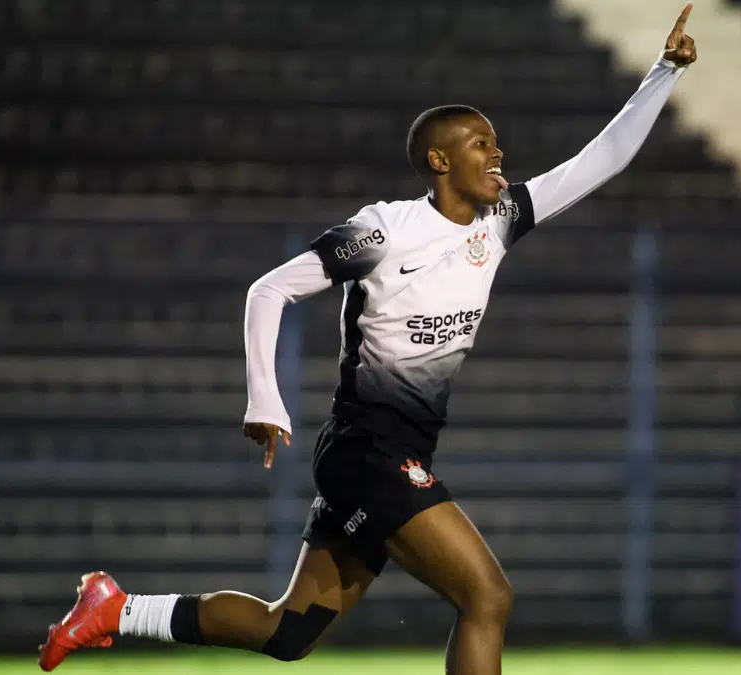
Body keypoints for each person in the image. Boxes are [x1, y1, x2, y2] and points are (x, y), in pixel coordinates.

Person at [37, 5, 697, 673]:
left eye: (496, 143)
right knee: (487, 595)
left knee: (287, 631)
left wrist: (664, 72)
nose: (498, 153)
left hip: (391, 451)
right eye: (480, 143)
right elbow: (268, 291)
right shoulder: (383, 231)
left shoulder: (500, 219)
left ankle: (113, 607)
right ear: (439, 160)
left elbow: (602, 159)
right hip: (368, 452)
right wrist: (264, 400)